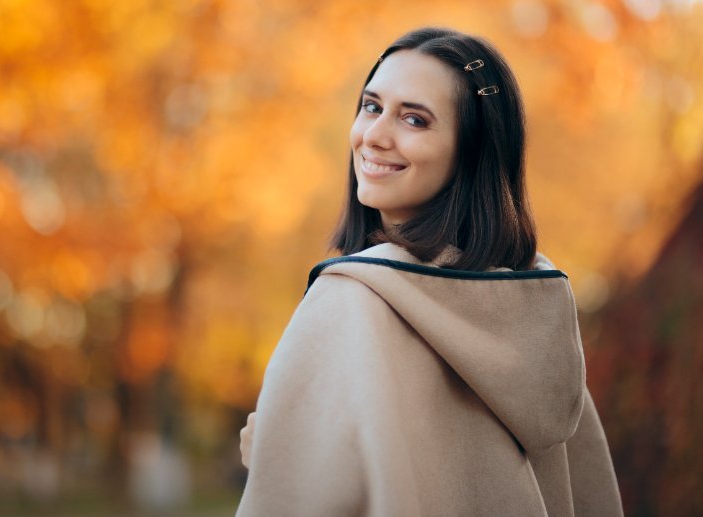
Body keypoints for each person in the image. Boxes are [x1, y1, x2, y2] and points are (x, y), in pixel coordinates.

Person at [235, 27, 623, 516]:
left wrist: (278, 455)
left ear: (471, 153)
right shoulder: (536, 313)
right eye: (372, 106)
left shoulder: (352, 300)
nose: (374, 136)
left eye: (414, 120)